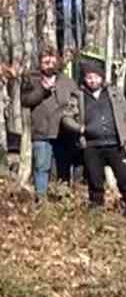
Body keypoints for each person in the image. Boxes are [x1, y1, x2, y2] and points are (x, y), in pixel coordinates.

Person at [73, 60, 126, 215]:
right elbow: (68, 116)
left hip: (115, 144)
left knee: (124, 177)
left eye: (95, 77)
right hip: (92, 145)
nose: (92, 80)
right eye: (89, 77)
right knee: (94, 179)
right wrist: (78, 128)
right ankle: (96, 207)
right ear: (84, 79)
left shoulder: (114, 93)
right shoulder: (79, 96)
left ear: (101, 78)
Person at [20, 50, 80, 197]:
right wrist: (43, 89)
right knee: (42, 167)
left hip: (64, 132)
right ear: (40, 63)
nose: (50, 66)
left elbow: (77, 99)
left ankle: (62, 198)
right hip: (42, 132)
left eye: (53, 62)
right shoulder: (32, 79)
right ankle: (41, 200)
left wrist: (74, 113)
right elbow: (26, 101)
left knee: (63, 168)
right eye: (46, 62)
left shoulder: (67, 81)